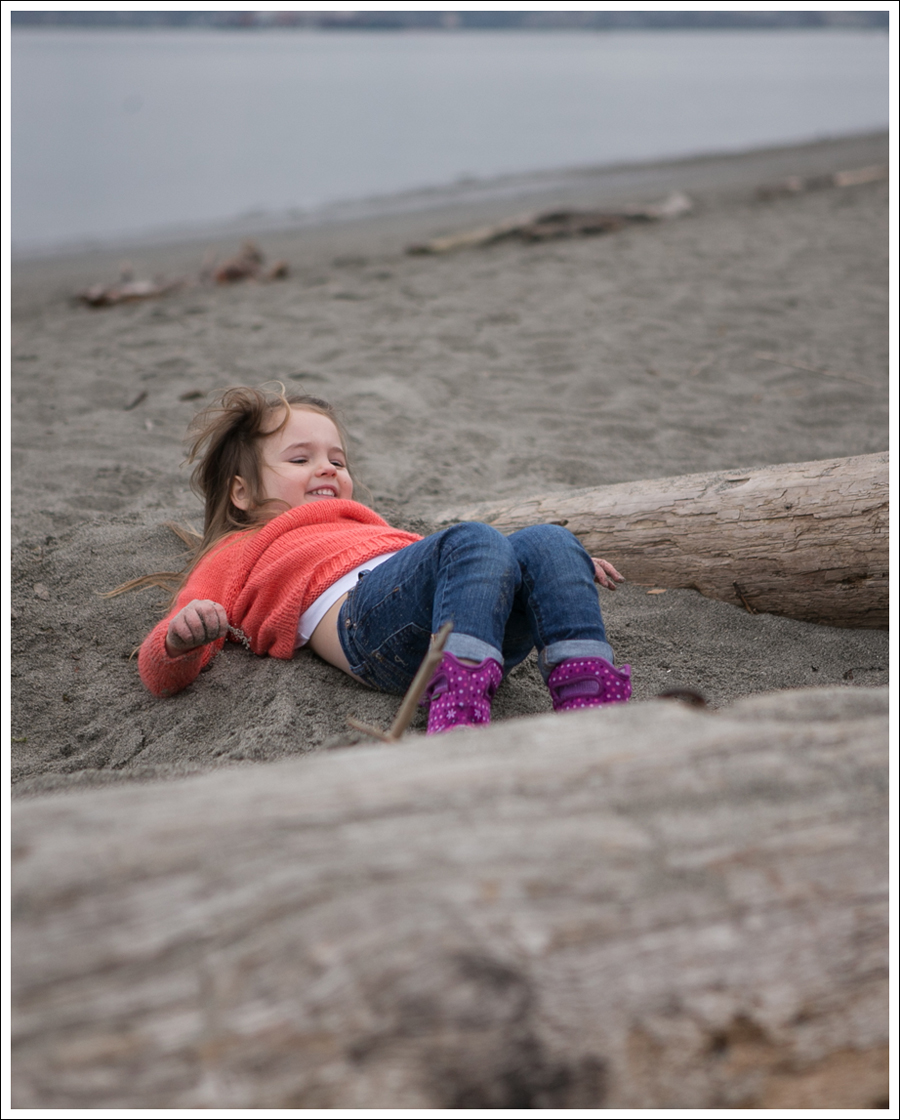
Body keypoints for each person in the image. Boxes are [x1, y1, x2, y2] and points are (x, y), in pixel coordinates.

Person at [134, 385, 631, 732]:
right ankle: (457, 706)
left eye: (337, 459)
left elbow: (465, 567)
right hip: (371, 632)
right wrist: (179, 639)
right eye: (300, 459)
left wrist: (551, 573)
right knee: (474, 540)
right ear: (241, 492)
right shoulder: (240, 547)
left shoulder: (373, 527)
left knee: (549, 541)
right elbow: (159, 671)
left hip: (472, 626)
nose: (326, 467)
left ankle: (590, 700)